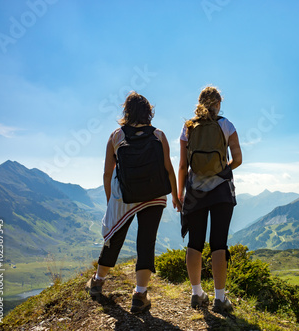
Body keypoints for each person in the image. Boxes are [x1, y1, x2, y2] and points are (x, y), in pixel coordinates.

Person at [86, 91, 182, 314]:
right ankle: (139, 295)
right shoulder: (158, 135)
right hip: (155, 196)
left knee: (114, 236)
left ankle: (98, 282)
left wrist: (111, 200)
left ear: (126, 111)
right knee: (146, 241)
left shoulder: (116, 136)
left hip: (125, 196)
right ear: (149, 111)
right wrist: (175, 196)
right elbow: (168, 169)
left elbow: (107, 173)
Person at [178, 86, 242, 312]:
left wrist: (179, 194)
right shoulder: (226, 125)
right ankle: (220, 298)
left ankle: (196, 294)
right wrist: (222, 170)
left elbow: (183, 165)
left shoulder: (188, 127)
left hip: (195, 192)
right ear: (218, 104)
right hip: (221, 192)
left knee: (194, 243)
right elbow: (238, 159)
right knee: (219, 244)